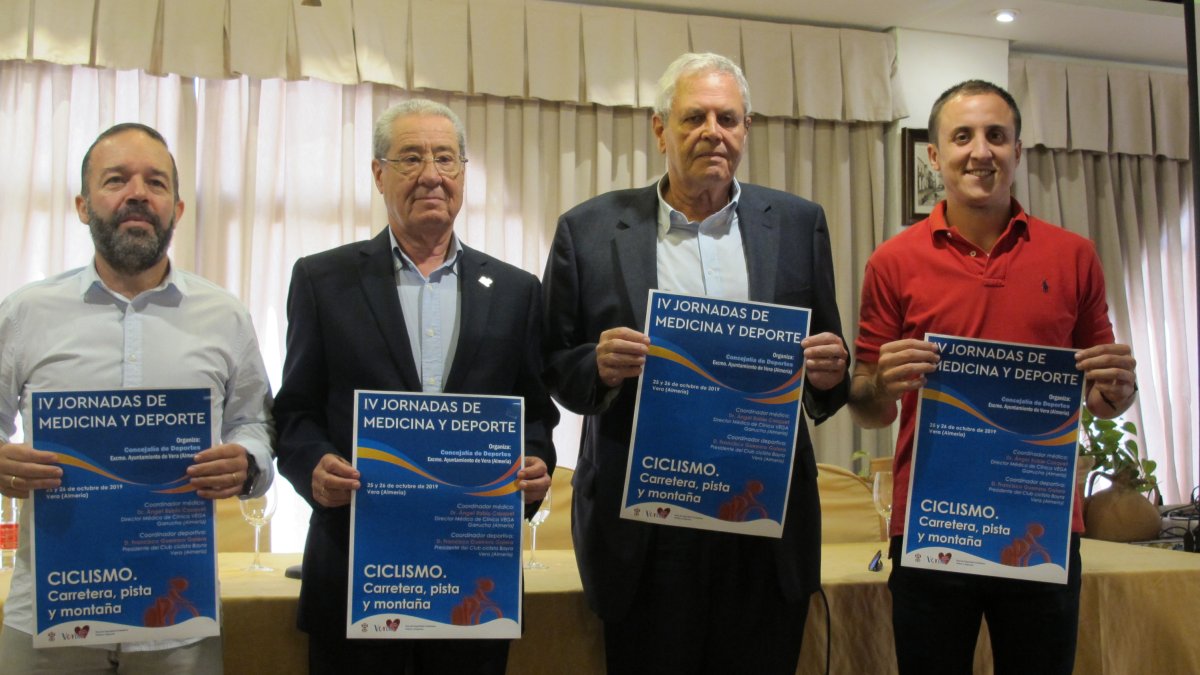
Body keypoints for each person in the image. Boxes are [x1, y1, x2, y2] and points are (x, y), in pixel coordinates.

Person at [541, 52, 849, 674]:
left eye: (728, 118)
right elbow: (551, 361)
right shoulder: (590, 229)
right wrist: (596, 366)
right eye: (694, 117)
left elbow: (830, 364)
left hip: (763, 526)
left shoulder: (797, 224)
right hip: (647, 533)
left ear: (746, 127)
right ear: (660, 130)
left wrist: (831, 370)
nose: (714, 131)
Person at [848, 80, 1138, 675]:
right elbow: (869, 403)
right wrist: (880, 385)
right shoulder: (892, 261)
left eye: (996, 136)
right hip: (933, 525)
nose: (981, 151)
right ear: (935, 155)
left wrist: (1117, 389)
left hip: (1041, 525)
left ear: (1017, 151)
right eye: (963, 136)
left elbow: (1102, 397)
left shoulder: (1074, 255)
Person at [273, 99, 558, 675]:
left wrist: (532, 467)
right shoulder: (322, 280)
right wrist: (314, 467)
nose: (431, 174)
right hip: (357, 577)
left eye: (445, 158)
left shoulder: (516, 290)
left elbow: (536, 417)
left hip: (473, 579)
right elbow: (296, 411)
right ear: (378, 174)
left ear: (462, 174)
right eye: (410, 158)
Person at [0, 122, 275, 674]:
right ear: (83, 205)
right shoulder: (26, 312)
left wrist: (246, 463)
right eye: (116, 179)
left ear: (176, 207)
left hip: (179, 623)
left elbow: (257, 424)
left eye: (155, 182)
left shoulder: (224, 316)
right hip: (48, 621)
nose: (137, 194)